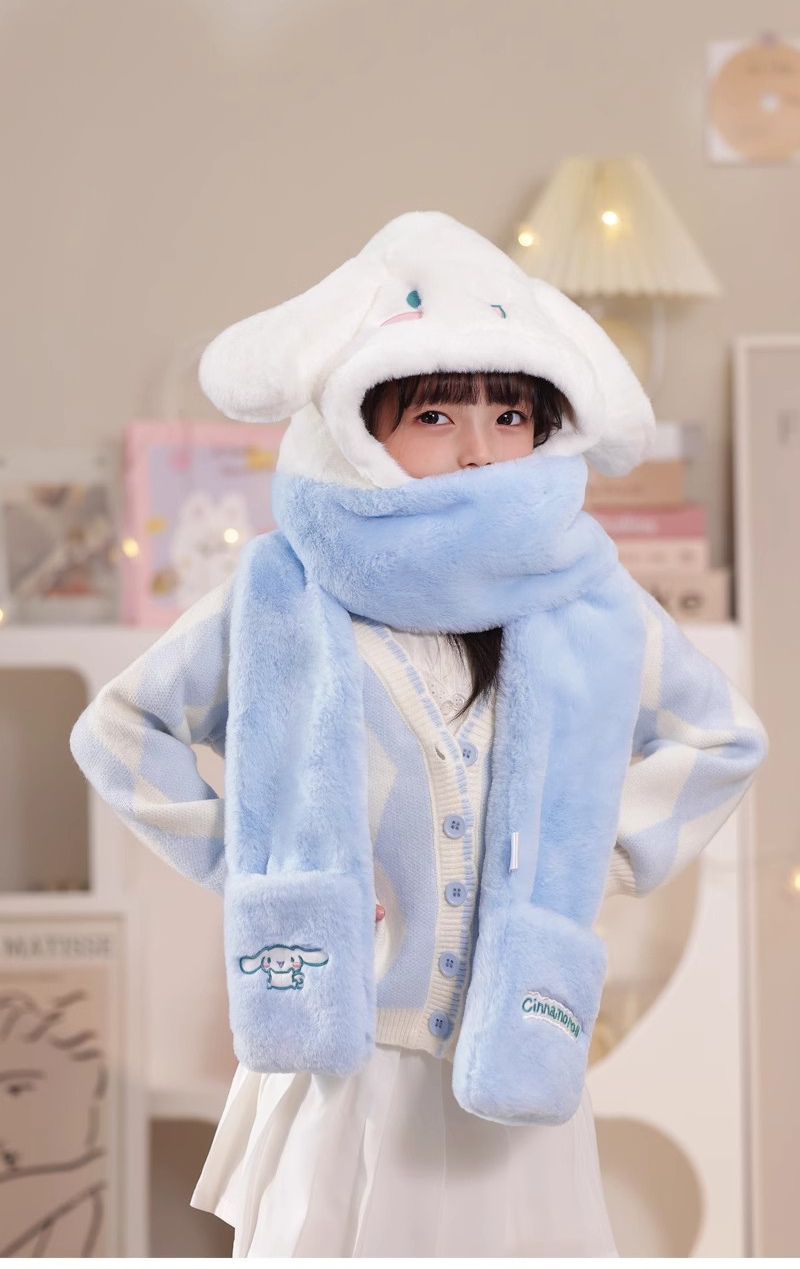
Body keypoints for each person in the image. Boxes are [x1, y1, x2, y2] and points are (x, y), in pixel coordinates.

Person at [70, 211, 768, 1257]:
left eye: (510, 414)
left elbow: (719, 740)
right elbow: (121, 730)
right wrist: (260, 864)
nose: (479, 448)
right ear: (362, 427)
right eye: (435, 414)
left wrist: (594, 858)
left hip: (511, 1057)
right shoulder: (286, 592)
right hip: (348, 1065)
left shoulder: (585, 599)